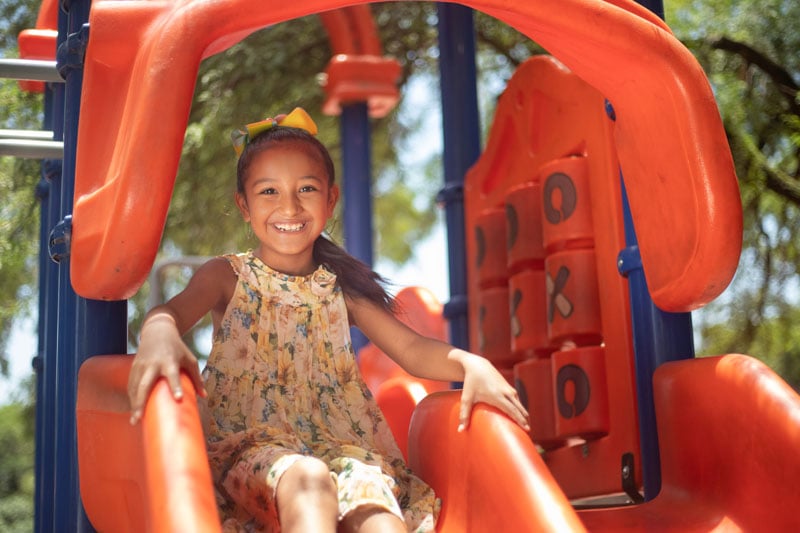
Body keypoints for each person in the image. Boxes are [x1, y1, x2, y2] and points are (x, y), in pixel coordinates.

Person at [127, 108, 530, 533]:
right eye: (269, 192)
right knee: (306, 477)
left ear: (330, 199)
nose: (289, 206)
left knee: (377, 510)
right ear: (243, 206)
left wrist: (471, 365)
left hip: (341, 449)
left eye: (306, 189)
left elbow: (411, 349)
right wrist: (159, 334)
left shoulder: (339, 288)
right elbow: (170, 312)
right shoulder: (228, 277)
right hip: (250, 452)